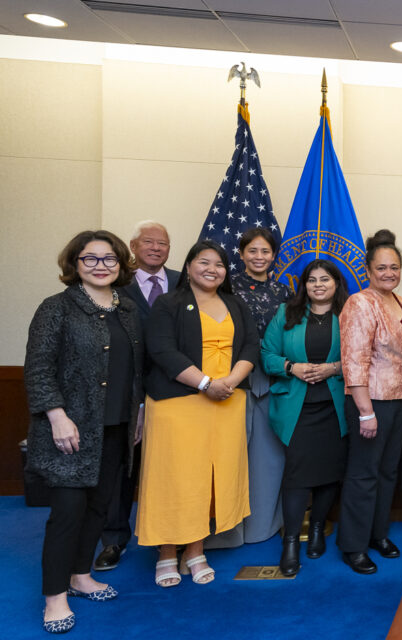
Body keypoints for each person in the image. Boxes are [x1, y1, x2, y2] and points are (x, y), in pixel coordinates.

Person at [25, 230, 143, 634]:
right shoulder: (56, 308)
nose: (100, 266)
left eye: (109, 259)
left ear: (121, 264)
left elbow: (133, 373)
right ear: (74, 265)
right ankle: (54, 597)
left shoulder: (126, 310)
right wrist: (57, 416)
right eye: (90, 259)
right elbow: (38, 368)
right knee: (68, 514)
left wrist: (138, 412)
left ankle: (80, 576)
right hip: (70, 431)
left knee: (99, 508)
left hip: (116, 429)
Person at [136, 240, 259, 587]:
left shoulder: (235, 304)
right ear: (188, 266)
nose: (212, 269)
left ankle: (195, 549)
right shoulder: (168, 303)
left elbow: (250, 346)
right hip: (179, 402)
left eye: (219, 264)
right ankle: (165, 551)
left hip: (226, 402)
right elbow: (161, 349)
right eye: (203, 262)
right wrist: (205, 383)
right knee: (174, 477)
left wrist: (230, 382)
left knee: (209, 478)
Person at [94, 220, 179, 572]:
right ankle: (114, 539)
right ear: (133, 246)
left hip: (175, 389)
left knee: (169, 468)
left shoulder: (182, 281)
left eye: (163, 243)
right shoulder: (115, 282)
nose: (156, 248)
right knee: (120, 470)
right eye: (149, 242)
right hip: (126, 389)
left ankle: (170, 535)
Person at [262, 259, 348, 576]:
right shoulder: (287, 314)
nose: (318, 285)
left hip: (335, 407)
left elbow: (362, 355)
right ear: (304, 285)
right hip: (297, 408)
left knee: (329, 472)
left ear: (336, 283)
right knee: (297, 476)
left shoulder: (347, 315)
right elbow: (267, 353)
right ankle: (290, 543)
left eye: (325, 279)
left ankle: (316, 531)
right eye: (312, 280)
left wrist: (334, 368)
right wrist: (291, 367)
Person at [208, 227, 291, 548]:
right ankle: (225, 529)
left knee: (269, 457)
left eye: (265, 252)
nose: (259, 257)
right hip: (228, 381)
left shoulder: (284, 292)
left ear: (274, 256)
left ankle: (262, 528)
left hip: (273, 380)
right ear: (241, 254)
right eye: (252, 251)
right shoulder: (223, 289)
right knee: (228, 455)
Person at [338, 230, 402, 575]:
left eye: (394, 267)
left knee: (388, 472)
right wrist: (365, 412)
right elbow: (354, 361)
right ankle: (353, 546)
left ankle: (377, 534)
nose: (388, 273)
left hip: (399, 399)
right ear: (368, 269)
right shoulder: (360, 303)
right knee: (363, 474)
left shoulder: (400, 302)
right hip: (370, 402)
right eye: (381, 268)